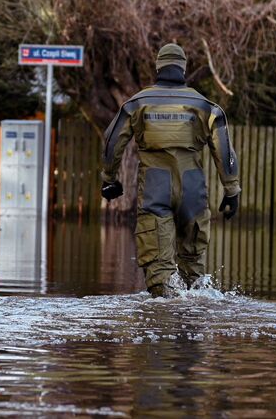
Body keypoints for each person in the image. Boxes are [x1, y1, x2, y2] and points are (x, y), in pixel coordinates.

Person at [100, 43, 241, 298]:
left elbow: (112, 141)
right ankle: (191, 327)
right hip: (193, 192)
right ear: (183, 68)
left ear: (158, 67)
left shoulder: (138, 103)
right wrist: (232, 190)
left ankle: (164, 324)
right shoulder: (205, 105)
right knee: (193, 271)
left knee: (159, 273)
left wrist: (109, 179)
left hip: (155, 192)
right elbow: (224, 148)